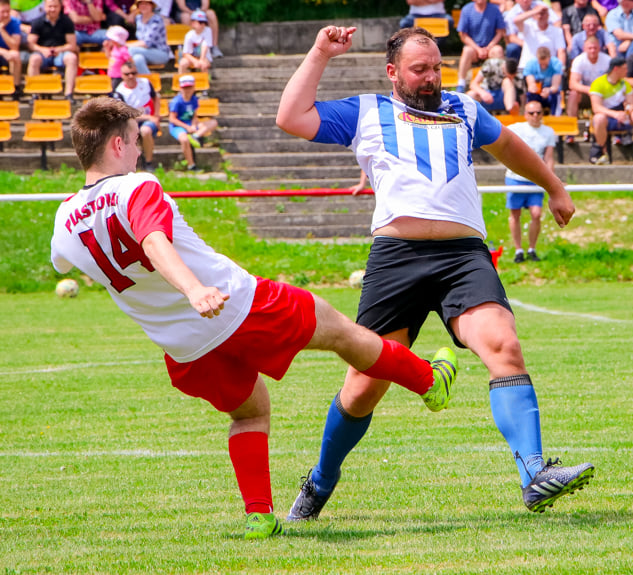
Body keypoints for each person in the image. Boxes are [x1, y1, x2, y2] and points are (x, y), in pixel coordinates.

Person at [50, 96, 458, 540]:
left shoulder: (64, 218)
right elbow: (152, 240)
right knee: (341, 331)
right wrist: (194, 289)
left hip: (185, 347)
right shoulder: (137, 186)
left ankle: (259, 515)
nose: (138, 151)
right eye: (133, 141)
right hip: (236, 304)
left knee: (249, 413)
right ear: (115, 145)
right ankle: (427, 381)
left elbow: (62, 265)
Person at [275, 25, 594, 519]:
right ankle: (320, 481)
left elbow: (508, 146)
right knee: (364, 386)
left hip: (463, 256)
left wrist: (554, 185)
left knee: (504, 346)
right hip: (396, 258)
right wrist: (319, 52)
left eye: (436, 68)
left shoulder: (464, 108)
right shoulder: (366, 111)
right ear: (393, 72)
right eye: (419, 69)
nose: (430, 78)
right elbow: (291, 117)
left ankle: (534, 473)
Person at [505, 101, 555, 263]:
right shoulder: (515, 128)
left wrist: (551, 179)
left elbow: (549, 158)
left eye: (538, 113)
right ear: (525, 114)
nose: (535, 116)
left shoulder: (548, 132)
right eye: (531, 113)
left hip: (536, 179)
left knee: (536, 214)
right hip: (515, 178)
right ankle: (518, 250)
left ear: (542, 114)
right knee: (515, 214)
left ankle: (532, 249)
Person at [589, 55, 633, 164]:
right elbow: (596, 107)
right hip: (608, 116)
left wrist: (626, 112)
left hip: (622, 116)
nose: (627, 71)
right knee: (599, 118)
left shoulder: (625, 84)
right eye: (624, 68)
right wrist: (615, 114)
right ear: (616, 69)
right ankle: (603, 154)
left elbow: (632, 104)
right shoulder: (598, 83)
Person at [26, 0, 78, 102]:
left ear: (60, 7)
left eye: (55, 6)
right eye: (50, 6)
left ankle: (68, 94)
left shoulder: (67, 22)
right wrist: (42, 50)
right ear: (45, 7)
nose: (52, 9)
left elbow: (72, 45)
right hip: (43, 54)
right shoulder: (37, 22)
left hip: (61, 53)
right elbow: (31, 44)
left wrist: (59, 49)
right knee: (33, 59)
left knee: (72, 58)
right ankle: (35, 94)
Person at [114, 60, 161, 171]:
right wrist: (149, 117)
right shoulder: (119, 92)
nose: (131, 76)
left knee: (146, 130)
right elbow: (124, 115)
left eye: (133, 73)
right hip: (130, 121)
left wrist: (157, 116)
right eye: (127, 74)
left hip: (148, 120)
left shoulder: (145, 83)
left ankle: (148, 162)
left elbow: (156, 98)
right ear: (122, 75)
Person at [169, 74, 217, 171]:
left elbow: (194, 116)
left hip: (190, 123)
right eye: (185, 88)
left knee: (213, 122)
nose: (187, 90)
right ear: (180, 88)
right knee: (184, 139)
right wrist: (187, 127)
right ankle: (191, 165)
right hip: (178, 126)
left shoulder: (194, 100)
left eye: (189, 87)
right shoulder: (176, 101)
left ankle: (196, 136)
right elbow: (172, 119)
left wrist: (194, 125)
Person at [456, 0, 507, 92]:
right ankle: (461, 83)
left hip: (490, 47)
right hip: (473, 48)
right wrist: (477, 49)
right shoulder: (466, 10)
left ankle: (501, 83)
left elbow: (500, 32)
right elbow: (463, 34)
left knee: (498, 50)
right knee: (467, 50)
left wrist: (489, 47)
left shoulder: (495, 10)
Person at [568, 35, 611, 122]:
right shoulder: (579, 60)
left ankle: (611, 124)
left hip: (603, 93)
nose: (592, 50)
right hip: (586, 92)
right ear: (584, 49)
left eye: (595, 48)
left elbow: (614, 80)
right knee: (573, 94)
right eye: (590, 48)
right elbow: (572, 83)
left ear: (599, 48)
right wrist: (590, 89)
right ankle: (571, 126)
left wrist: (598, 91)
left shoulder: (607, 60)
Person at [467, 45, 521, 114]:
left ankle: (510, 108)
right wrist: (483, 93)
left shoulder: (517, 75)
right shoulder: (491, 64)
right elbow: (473, 84)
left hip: (504, 96)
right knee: (471, 94)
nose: (512, 78)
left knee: (507, 81)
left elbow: (522, 94)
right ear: (504, 69)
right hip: (486, 93)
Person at [513, 3, 567, 70]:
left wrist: (561, 68)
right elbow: (516, 20)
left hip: (548, 69)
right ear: (533, 16)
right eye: (538, 14)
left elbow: (561, 51)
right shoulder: (528, 26)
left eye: (543, 13)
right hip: (527, 67)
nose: (540, 16)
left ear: (548, 15)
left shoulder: (557, 31)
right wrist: (535, 11)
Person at [129, 0, 172, 75]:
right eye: (141, 4)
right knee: (137, 58)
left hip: (160, 53)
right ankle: (150, 83)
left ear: (151, 6)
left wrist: (124, 45)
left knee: (131, 50)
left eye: (146, 4)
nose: (143, 6)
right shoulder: (138, 18)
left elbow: (146, 43)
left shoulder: (157, 20)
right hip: (143, 51)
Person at [524, 45, 564, 113]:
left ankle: (555, 117)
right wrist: (534, 88)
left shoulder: (556, 64)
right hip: (537, 93)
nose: (543, 66)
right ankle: (531, 115)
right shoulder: (530, 64)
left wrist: (549, 90)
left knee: (556, 96)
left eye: (545, 63)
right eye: (541, 63)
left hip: (551, 93)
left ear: (549, 58)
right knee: (530, 95)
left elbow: (555, 86)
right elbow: (530, 85)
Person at [0, 0, 23, 97]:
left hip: (9, 54)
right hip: (2, 52)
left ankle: (16, 88)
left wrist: (1, 30)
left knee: (15, 55)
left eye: (7, 12)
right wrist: (2, 51)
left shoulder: (15, 22)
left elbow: (14, 46)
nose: (5, 15)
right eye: (2, 12)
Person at [178, 8, 212, 73]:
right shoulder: (189, 35)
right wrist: (195, 61)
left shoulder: (208, 30)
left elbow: (205, 45)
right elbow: (186, 53)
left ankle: (205, 81)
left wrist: (201, 60)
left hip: (204, 57)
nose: (203, 25)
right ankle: (181, 80)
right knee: (183, 63)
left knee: (204, 64)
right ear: (193, 23)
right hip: (191, 57)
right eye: (200, 22)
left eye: (204, 22)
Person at [104, 25, 130, 90]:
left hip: (119, 76)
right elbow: (109, 57)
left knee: (116, 91)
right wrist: (106, 48)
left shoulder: (123, 50)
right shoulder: (114, 48)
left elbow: (129, 61)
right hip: (112, 74)